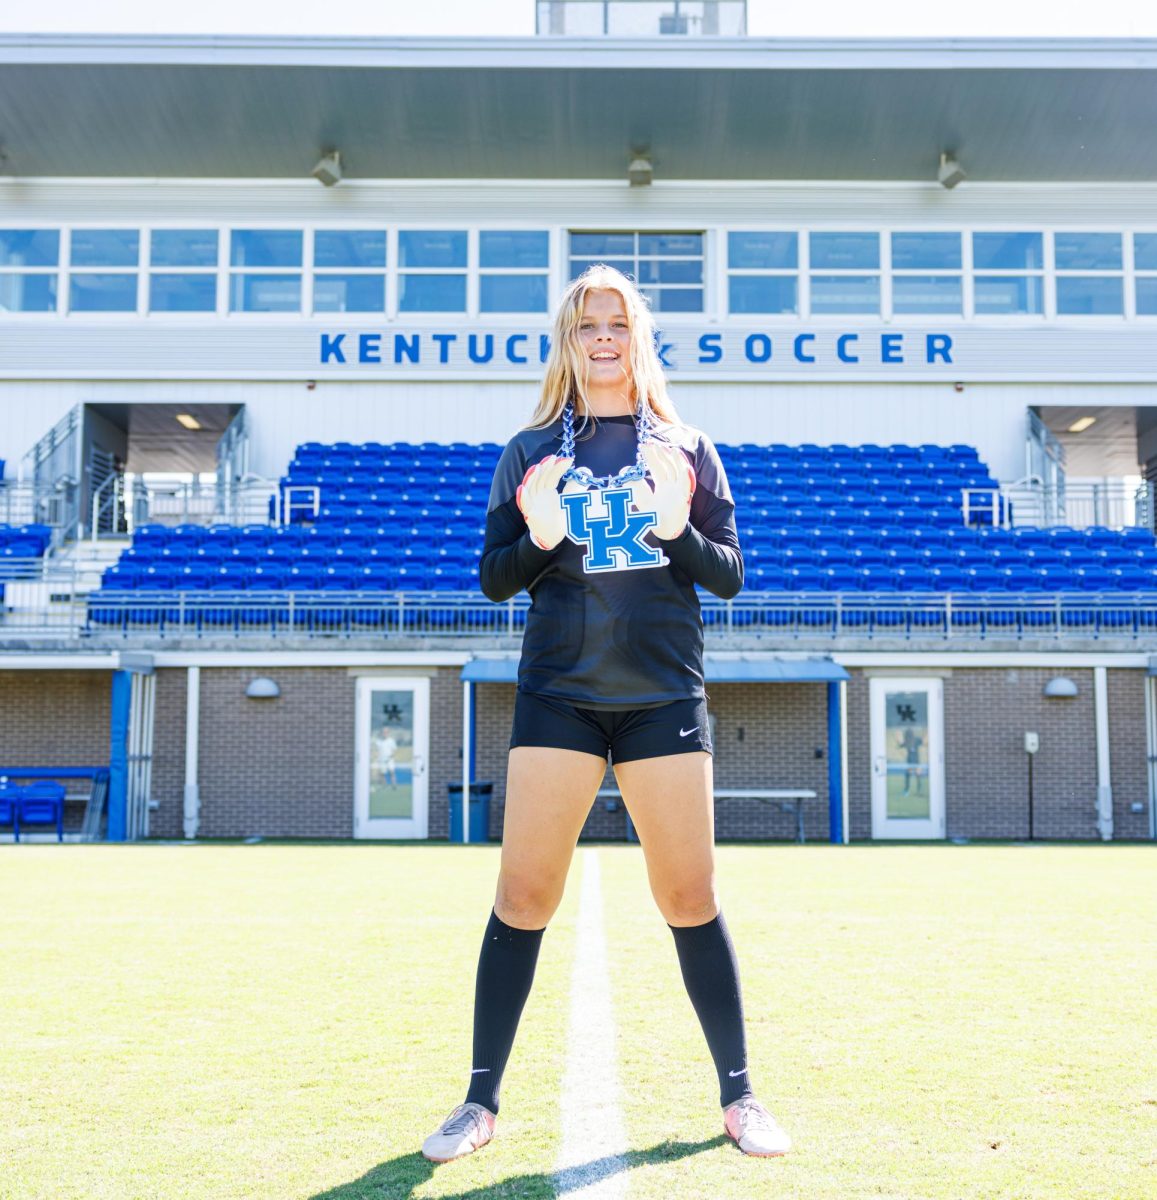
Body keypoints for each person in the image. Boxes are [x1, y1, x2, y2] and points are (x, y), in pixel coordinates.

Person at [421, 264, 791, 1163]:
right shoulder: (530, 450)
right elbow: (493, 576)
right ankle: (478, 1104)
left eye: (617, 323)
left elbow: (729, 576)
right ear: (567, 339)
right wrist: (541, 533)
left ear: (639, 337)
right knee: (524, 895)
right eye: (586, 324)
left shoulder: (689, 446)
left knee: (688, 895)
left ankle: (741, 1097)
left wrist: (673, 524)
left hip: (662, 692)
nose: (601, 337)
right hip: (560, 696)